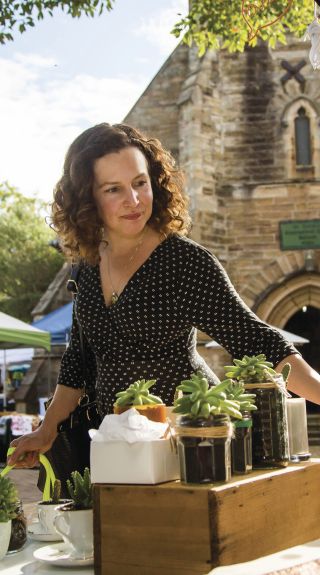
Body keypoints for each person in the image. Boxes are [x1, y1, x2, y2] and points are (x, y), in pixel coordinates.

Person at [9, 122, 320, 467]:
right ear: (87, 197)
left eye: (140, 183)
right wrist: (47, 429)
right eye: (114, 189)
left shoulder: (184, 261)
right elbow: (78, 363)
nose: (134, 200)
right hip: (116, 446)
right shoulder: (86, 264)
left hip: (191, 443)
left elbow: (260, 341)